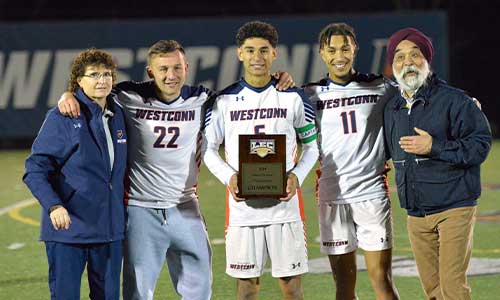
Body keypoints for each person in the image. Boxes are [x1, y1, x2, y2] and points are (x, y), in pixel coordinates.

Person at [57, 40, 295, 300]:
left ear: (186, 67)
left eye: (177, 68)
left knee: (200, 290)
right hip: (140, 209)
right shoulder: (127, 95)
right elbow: (93, 90)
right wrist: (68, 93)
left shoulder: (202, 99)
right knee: (138, 293)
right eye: (163, 69)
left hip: (185, 206)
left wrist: (277, 80)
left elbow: (245, 99)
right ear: (150, 71)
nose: (171, 76)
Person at [202, 21, 319, 300]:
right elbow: (208, 149)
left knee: (291, 287)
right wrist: (229, 177)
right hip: (243, 211)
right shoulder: (224, 101)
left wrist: (296, 177)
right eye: (251, 50)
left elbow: (312, 147)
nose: (257, 57)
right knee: (246, 289)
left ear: (274, 54)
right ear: (240, 53)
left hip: (285, 209)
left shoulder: (294, 97)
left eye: (264, 50)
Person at [384, 27, 492, 300]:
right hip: (416, 213)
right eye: (399, 57)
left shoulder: (455, 100)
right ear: (393, 65)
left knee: (452, 288)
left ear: (428, 60)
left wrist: (435, 147)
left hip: (454, 206)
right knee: (432, 291)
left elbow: (480, 145)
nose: (407, 62)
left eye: (415, 54)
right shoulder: (392, 108)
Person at [304, 23, 399, 300]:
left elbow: (421, 89)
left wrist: (467, 102)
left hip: (372, 194)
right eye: (332, 50)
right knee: (344, 288)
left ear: (355, 49)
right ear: (322, 53)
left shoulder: (380, 87)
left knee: (381, 279)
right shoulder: (309, 94)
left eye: (345, 48)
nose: (339, 55)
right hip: (333, 197)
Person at [23, 49, 127, 300]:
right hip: (70, 229)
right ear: (79, 80)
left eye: (106, 74)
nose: (102, 80)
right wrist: (54, 205)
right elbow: (35, 168)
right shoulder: (64, 116)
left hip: (109, 230)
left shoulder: (119, 113)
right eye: (93, 75)